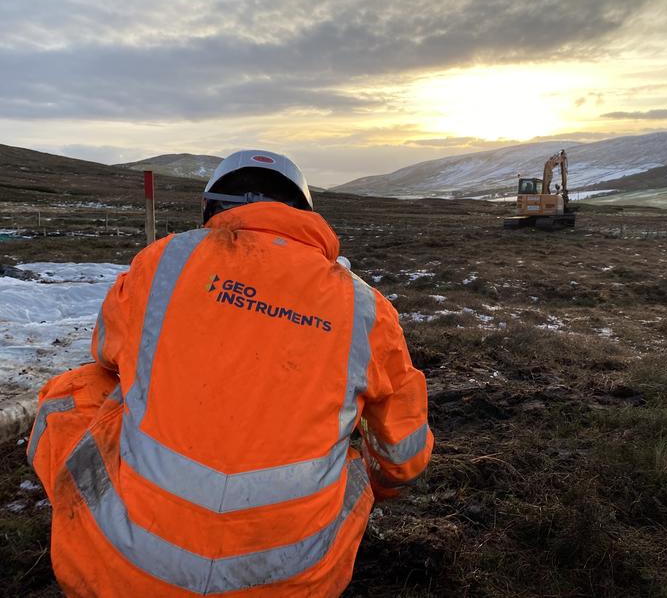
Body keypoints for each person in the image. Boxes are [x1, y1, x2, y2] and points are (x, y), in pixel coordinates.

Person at [27, 150, 433, 597]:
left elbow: (106, 350)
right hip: (293, 582)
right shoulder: (366, 308)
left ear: (212, 208)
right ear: (302, 212)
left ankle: (92, 529)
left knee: (78, 389)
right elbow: (403, 456)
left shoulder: (165, 261)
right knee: (353, 466)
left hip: (118, 572)